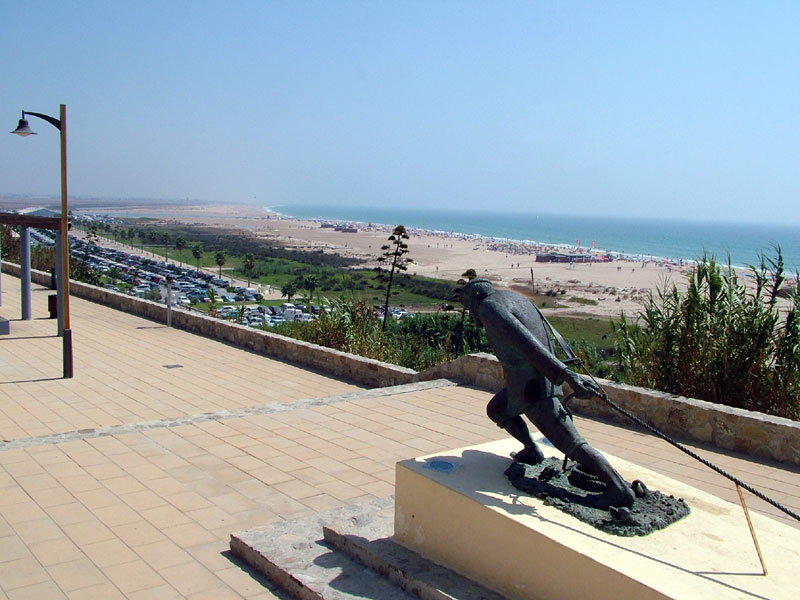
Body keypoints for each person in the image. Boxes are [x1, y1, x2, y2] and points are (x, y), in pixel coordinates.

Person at [461, 278, 635, 508]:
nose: (471, 313)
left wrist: (568, 376)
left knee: (572, 444)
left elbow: (526, 343)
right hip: (529, 383)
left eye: (468, 306)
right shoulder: (513, 297)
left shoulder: (488, 307)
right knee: (496, 409)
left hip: (532, 388)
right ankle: (532, 450)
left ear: (475, 297)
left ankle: (619, 490)